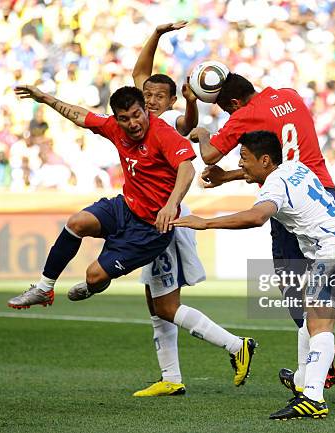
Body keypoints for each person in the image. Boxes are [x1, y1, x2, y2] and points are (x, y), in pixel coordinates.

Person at [7, 84, 256, 389]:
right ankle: (45, 287)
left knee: (126, 289)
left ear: (150, 109)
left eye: (138, 114)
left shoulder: (165, 130)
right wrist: (46, 98)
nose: (133, 123)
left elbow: (187, 169)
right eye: (125, 118)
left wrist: (170, 204)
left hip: (154, 228)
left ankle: (229, 348)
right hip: (125, 208)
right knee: (78, 222)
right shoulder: (117, 128)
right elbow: (81, 116)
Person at [173, 131, 335, 420]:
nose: (241, 164)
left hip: (334, 251)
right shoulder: (296, 166)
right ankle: (302, 380)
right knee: (312, 320)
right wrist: (229, 177)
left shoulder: (274, 187)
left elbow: (257, 216)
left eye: (244, 158)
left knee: (319, 324)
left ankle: (313, 397)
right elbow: (259, 177)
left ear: (265, 160)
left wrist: (205, 223)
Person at [190, 72, 335, 385]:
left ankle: (318, 365)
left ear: (234, 102)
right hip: (322, 189)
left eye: (228, 111)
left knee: (293, 286)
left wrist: (204, 133)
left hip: (287, 201)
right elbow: (281, 158)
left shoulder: (245, 115)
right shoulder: (289, 95)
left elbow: (211, 155)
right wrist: (231, 177)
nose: (231, 117)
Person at [129, 21, 213, 397]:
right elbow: (139, 73)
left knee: (165, 300)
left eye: (159, 97)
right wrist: (158, 34)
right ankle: (170, 378)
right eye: (147, 96)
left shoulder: (167, 123)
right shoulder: (138, 117)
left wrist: (192, 102)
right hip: (146, 213)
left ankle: (235, 345)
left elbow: (188, 124)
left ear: (170, 101)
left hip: (166, 213)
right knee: (152, 297)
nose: (150, 101)